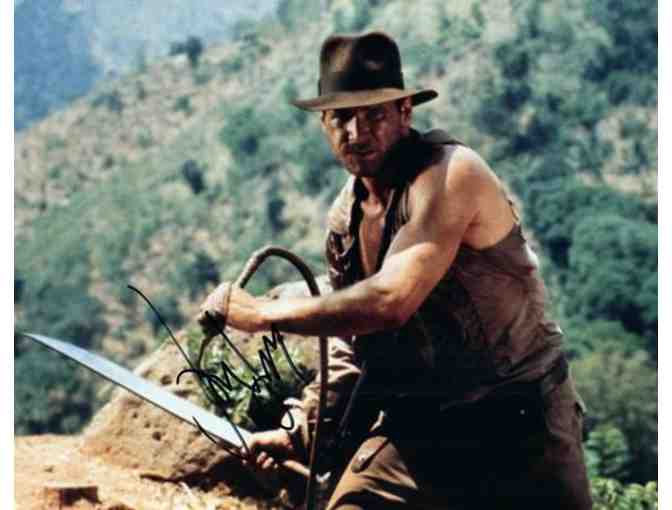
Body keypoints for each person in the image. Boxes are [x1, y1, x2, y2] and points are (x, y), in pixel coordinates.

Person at [198, 31, 593, 509]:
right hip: (423, 428)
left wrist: (263, 314)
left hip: (519, 424)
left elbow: (389, 301)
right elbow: (353, 346)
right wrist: (300, 433)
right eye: (341, 117)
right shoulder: (345, 220)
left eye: (373, 114)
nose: (356, 132)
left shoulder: (451, 174)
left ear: (405, 111)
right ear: (323, 123)